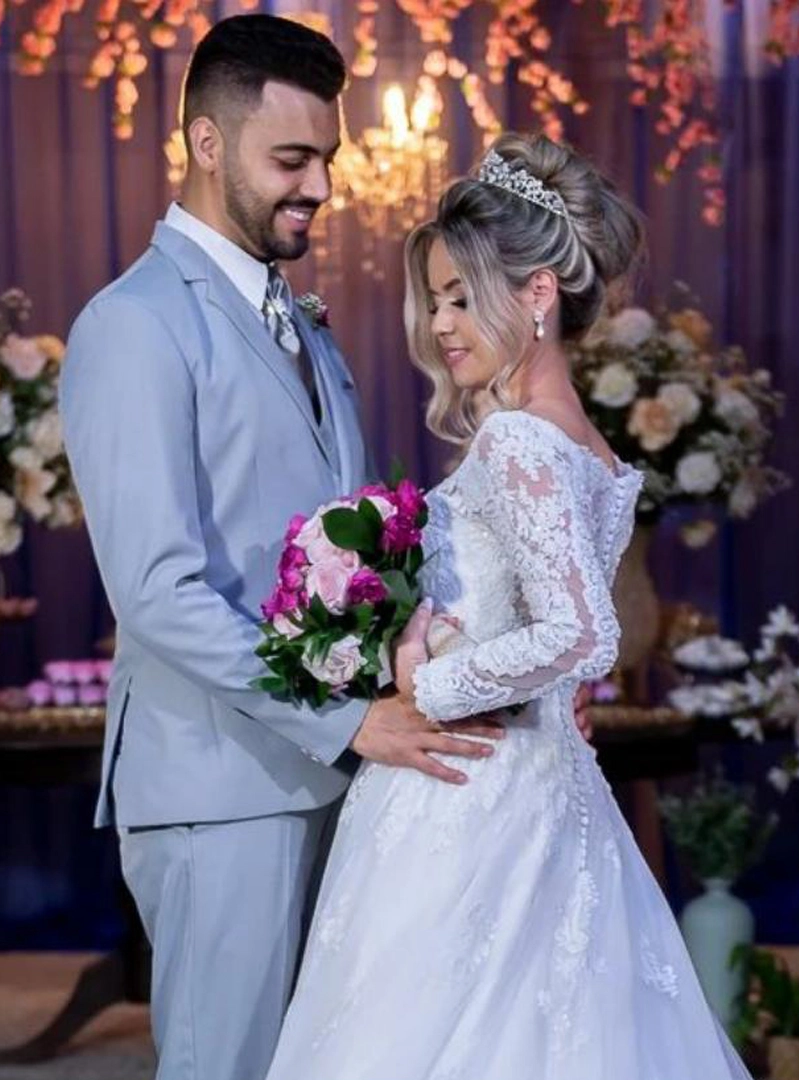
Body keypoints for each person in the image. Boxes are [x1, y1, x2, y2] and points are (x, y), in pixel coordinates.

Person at [58, 15, 505, 1080]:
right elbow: (158, 593)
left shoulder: (303, 324)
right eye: (292, 160)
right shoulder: (133, 325)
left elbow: (355, 546)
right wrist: (348, 722)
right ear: (207, 144)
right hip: (220, 788)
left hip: (334, 776)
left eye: (328, 159)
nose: (321, 187)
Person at [264, 133, 754, 1080]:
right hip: (542, 781)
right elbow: (556, 631)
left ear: (537, 294)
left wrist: (427, 681)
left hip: (472, 788)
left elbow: (581, 631)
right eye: (436, 299)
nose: (442, 324)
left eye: (462, 297)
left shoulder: (520, 441)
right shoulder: (591, 449)